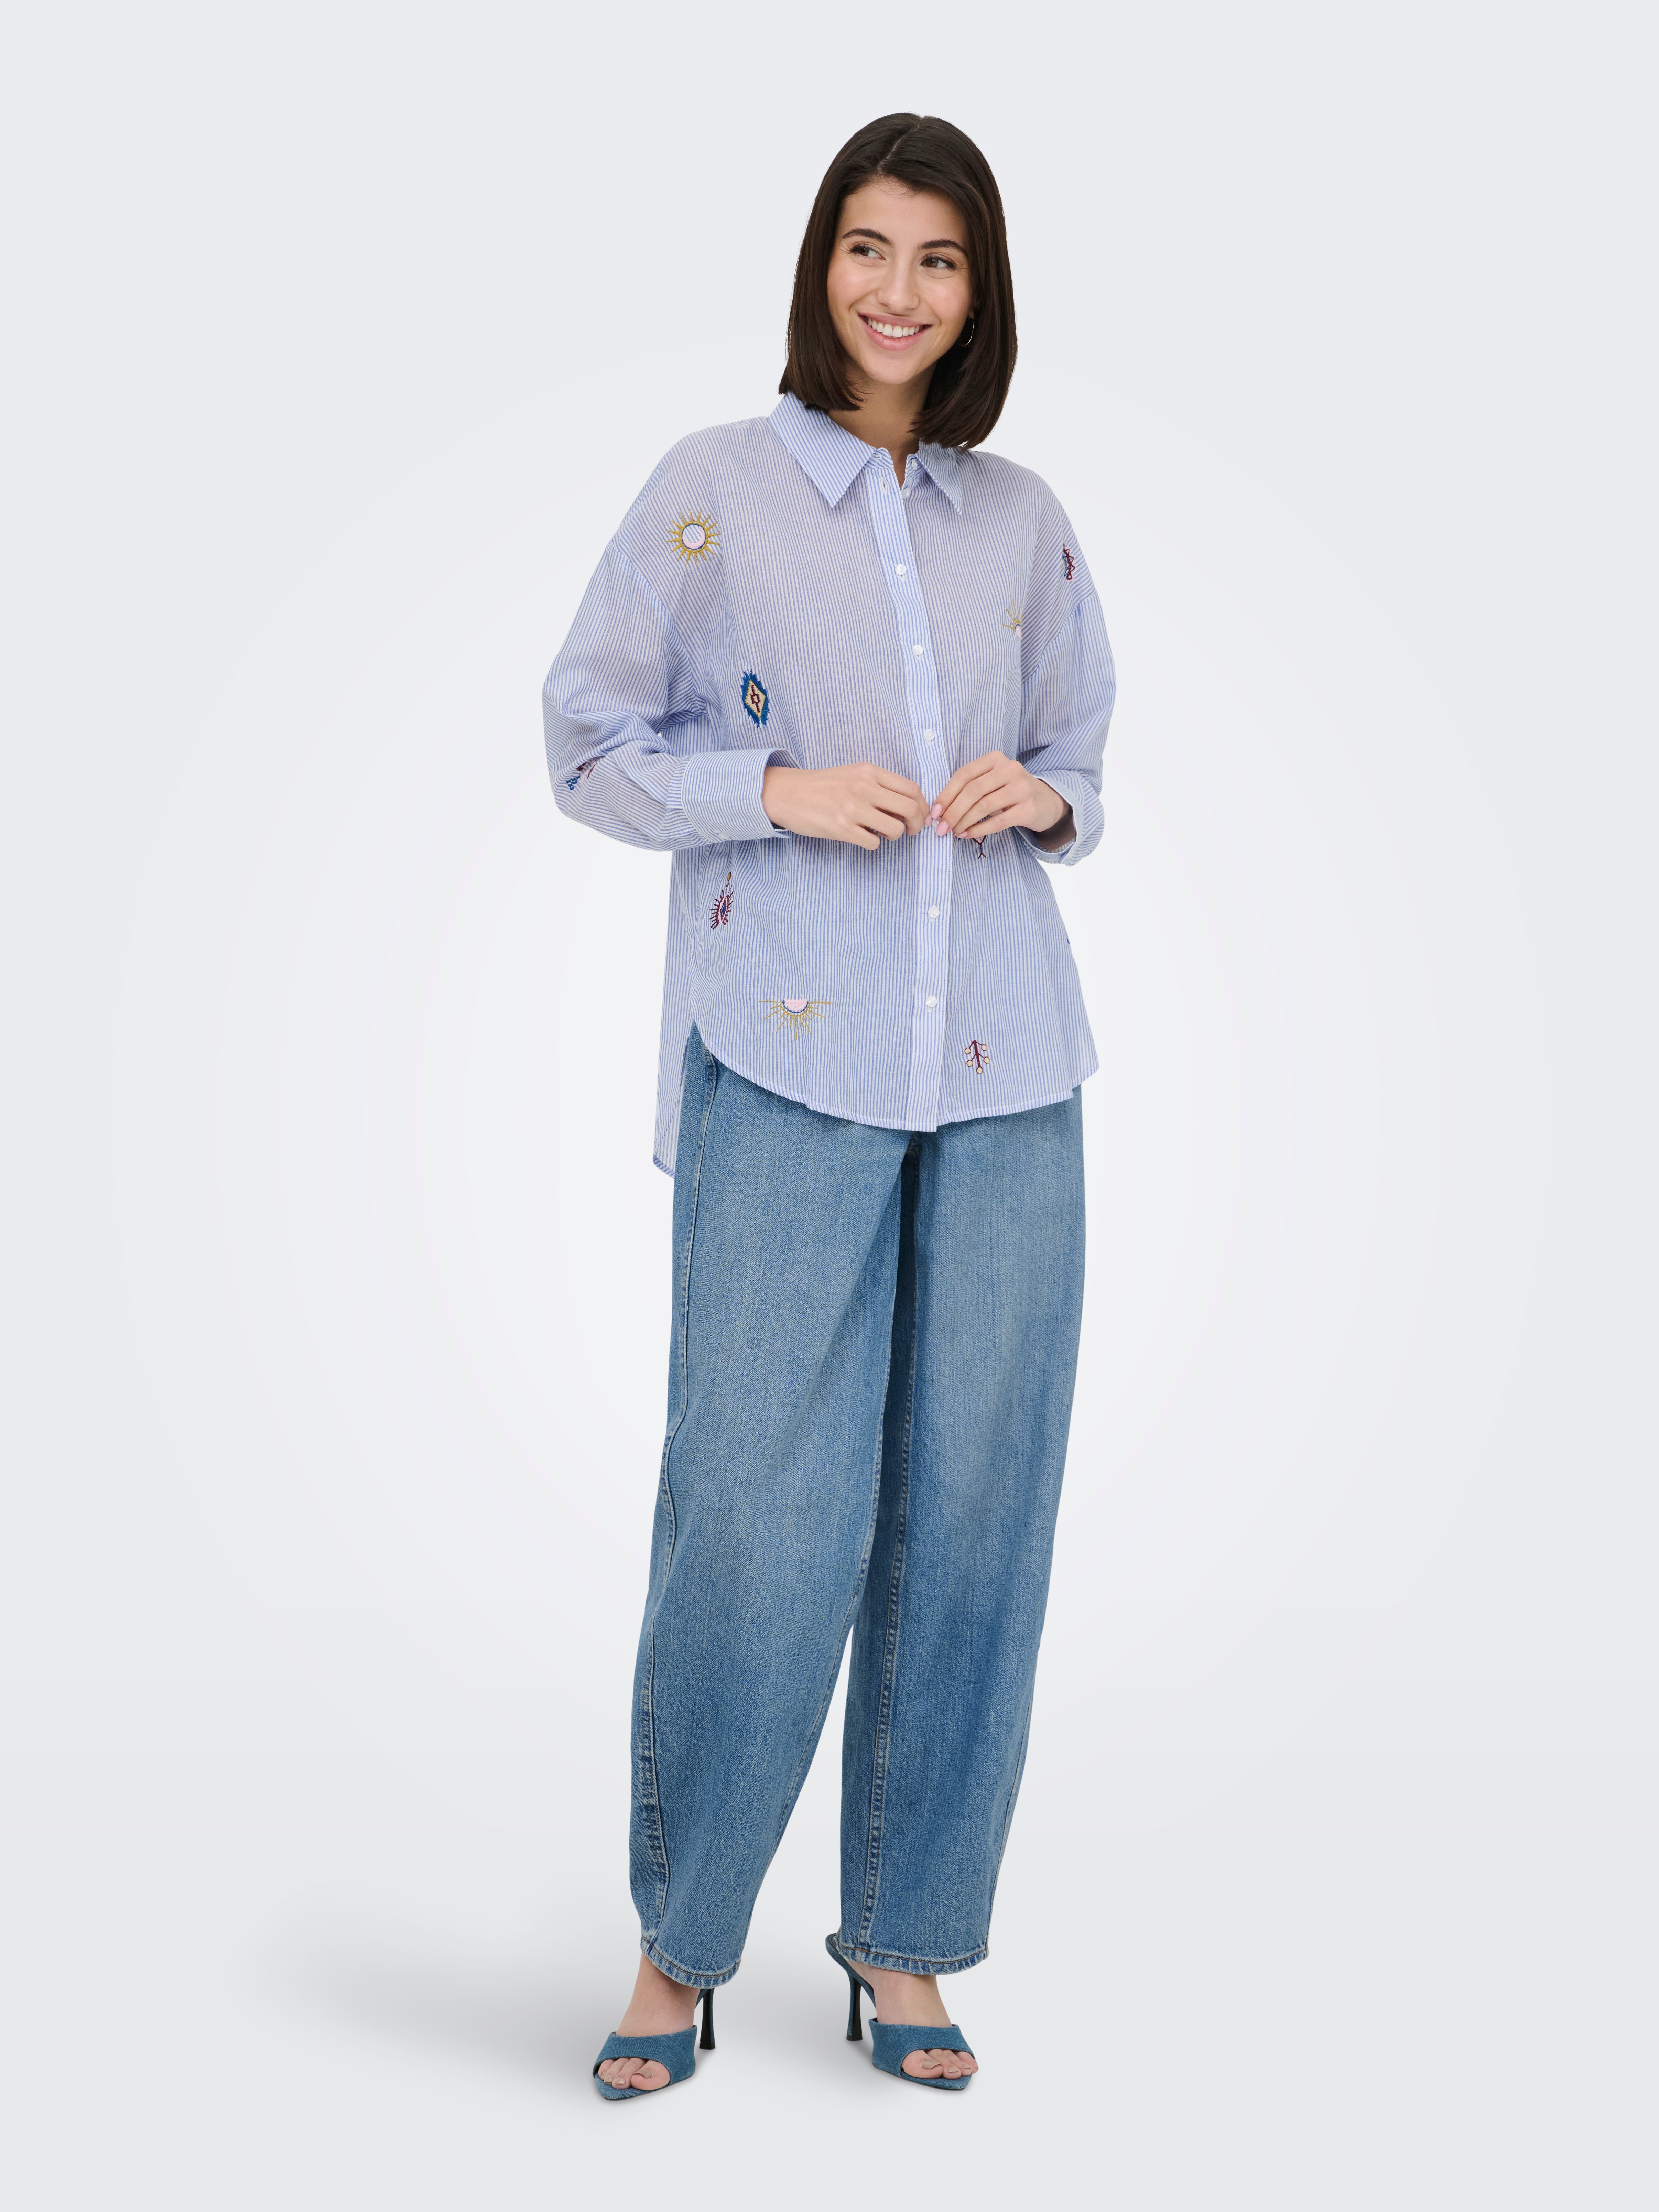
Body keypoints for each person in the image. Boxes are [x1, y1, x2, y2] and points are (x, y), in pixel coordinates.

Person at [543, 112, 1114, 2098]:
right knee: (756, 1515)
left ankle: (906, 1942)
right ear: (819, 267)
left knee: (977, 1513)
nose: (898, 291)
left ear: (979, 291)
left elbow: (1081, 750)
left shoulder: (1020, 516)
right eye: (869, 248)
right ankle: (677, 1945)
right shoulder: (714, 488)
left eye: (938, 259)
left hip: (1009, 1065)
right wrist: (774, 793)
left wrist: (1046, 796)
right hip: (788, 1052)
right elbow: (585, 740)